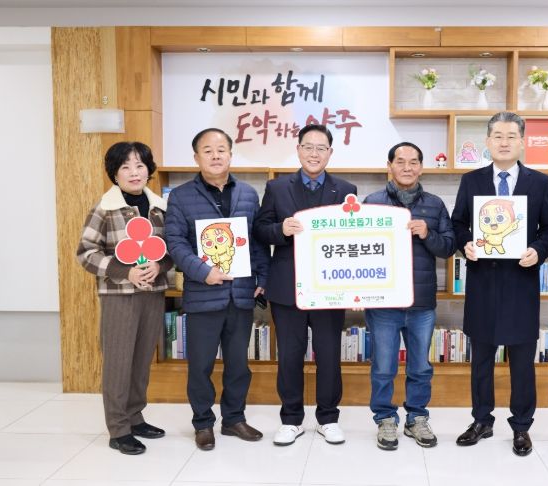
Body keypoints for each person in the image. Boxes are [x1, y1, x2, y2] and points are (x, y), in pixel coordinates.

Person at [451, 111, 548, 456]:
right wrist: (466, 244)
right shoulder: (471, 181)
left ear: (522, 142)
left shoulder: (539, 182)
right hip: (482, 283)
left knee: (522, 363)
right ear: (487, 141)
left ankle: (522, 426)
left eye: (511, 136)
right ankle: (481, 420)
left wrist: (537, 251)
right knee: (481, 359)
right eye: (498, 135)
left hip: (521, 283)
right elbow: (458, 224)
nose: (504, 142)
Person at [164, 128, 270, 451]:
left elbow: (256, 241)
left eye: (221, 150)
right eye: (207, 150)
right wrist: (203, 272)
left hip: (240, 294)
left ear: (230, 155)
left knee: (239, 365)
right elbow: (175, 243)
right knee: (201, 366)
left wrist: (262, 278)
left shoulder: (248, 194)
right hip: (203, 294)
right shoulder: (180, 196)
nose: (215, 155)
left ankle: (234, 419)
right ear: (196, 157)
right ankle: (203, 423)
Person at [254, 124, 357, 446]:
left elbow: (355, 237)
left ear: (330, 153)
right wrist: (280, 229)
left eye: (321, 148)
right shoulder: (277, 187)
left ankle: (328, 418)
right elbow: (260, 229)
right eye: (308, 147)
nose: (314, 153)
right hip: (287, 287)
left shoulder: (346, 189)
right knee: (289, 355)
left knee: (329, 355)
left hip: (330, 287)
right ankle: (291, 419)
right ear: (298, 150)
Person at [77, 141, 172, 455]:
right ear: (114, 174)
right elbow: (86, 253)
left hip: (153, 293)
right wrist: (124, 272)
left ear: (149, 170)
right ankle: (118, 429)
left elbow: (172, 249)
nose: (134, 172)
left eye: (140, 165)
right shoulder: (104, 208)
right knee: (118, 362)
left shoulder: (160, 208)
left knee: (142, 360)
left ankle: (135, 417)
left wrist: (160, 266)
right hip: (119, 295)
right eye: (125, 167)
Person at [363, 142, 456, 450]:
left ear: (421, 167)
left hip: (422, 302)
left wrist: (428, 234)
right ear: (389, 166)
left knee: (420, 367)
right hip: (384, 302)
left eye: (413, 162)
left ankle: (417, 418)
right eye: (400, 161)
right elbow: (359, 249)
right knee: (383, 367)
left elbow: (448, 247)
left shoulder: (435, 204)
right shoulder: (373, 202)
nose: (407, 167)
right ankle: (385, 419)